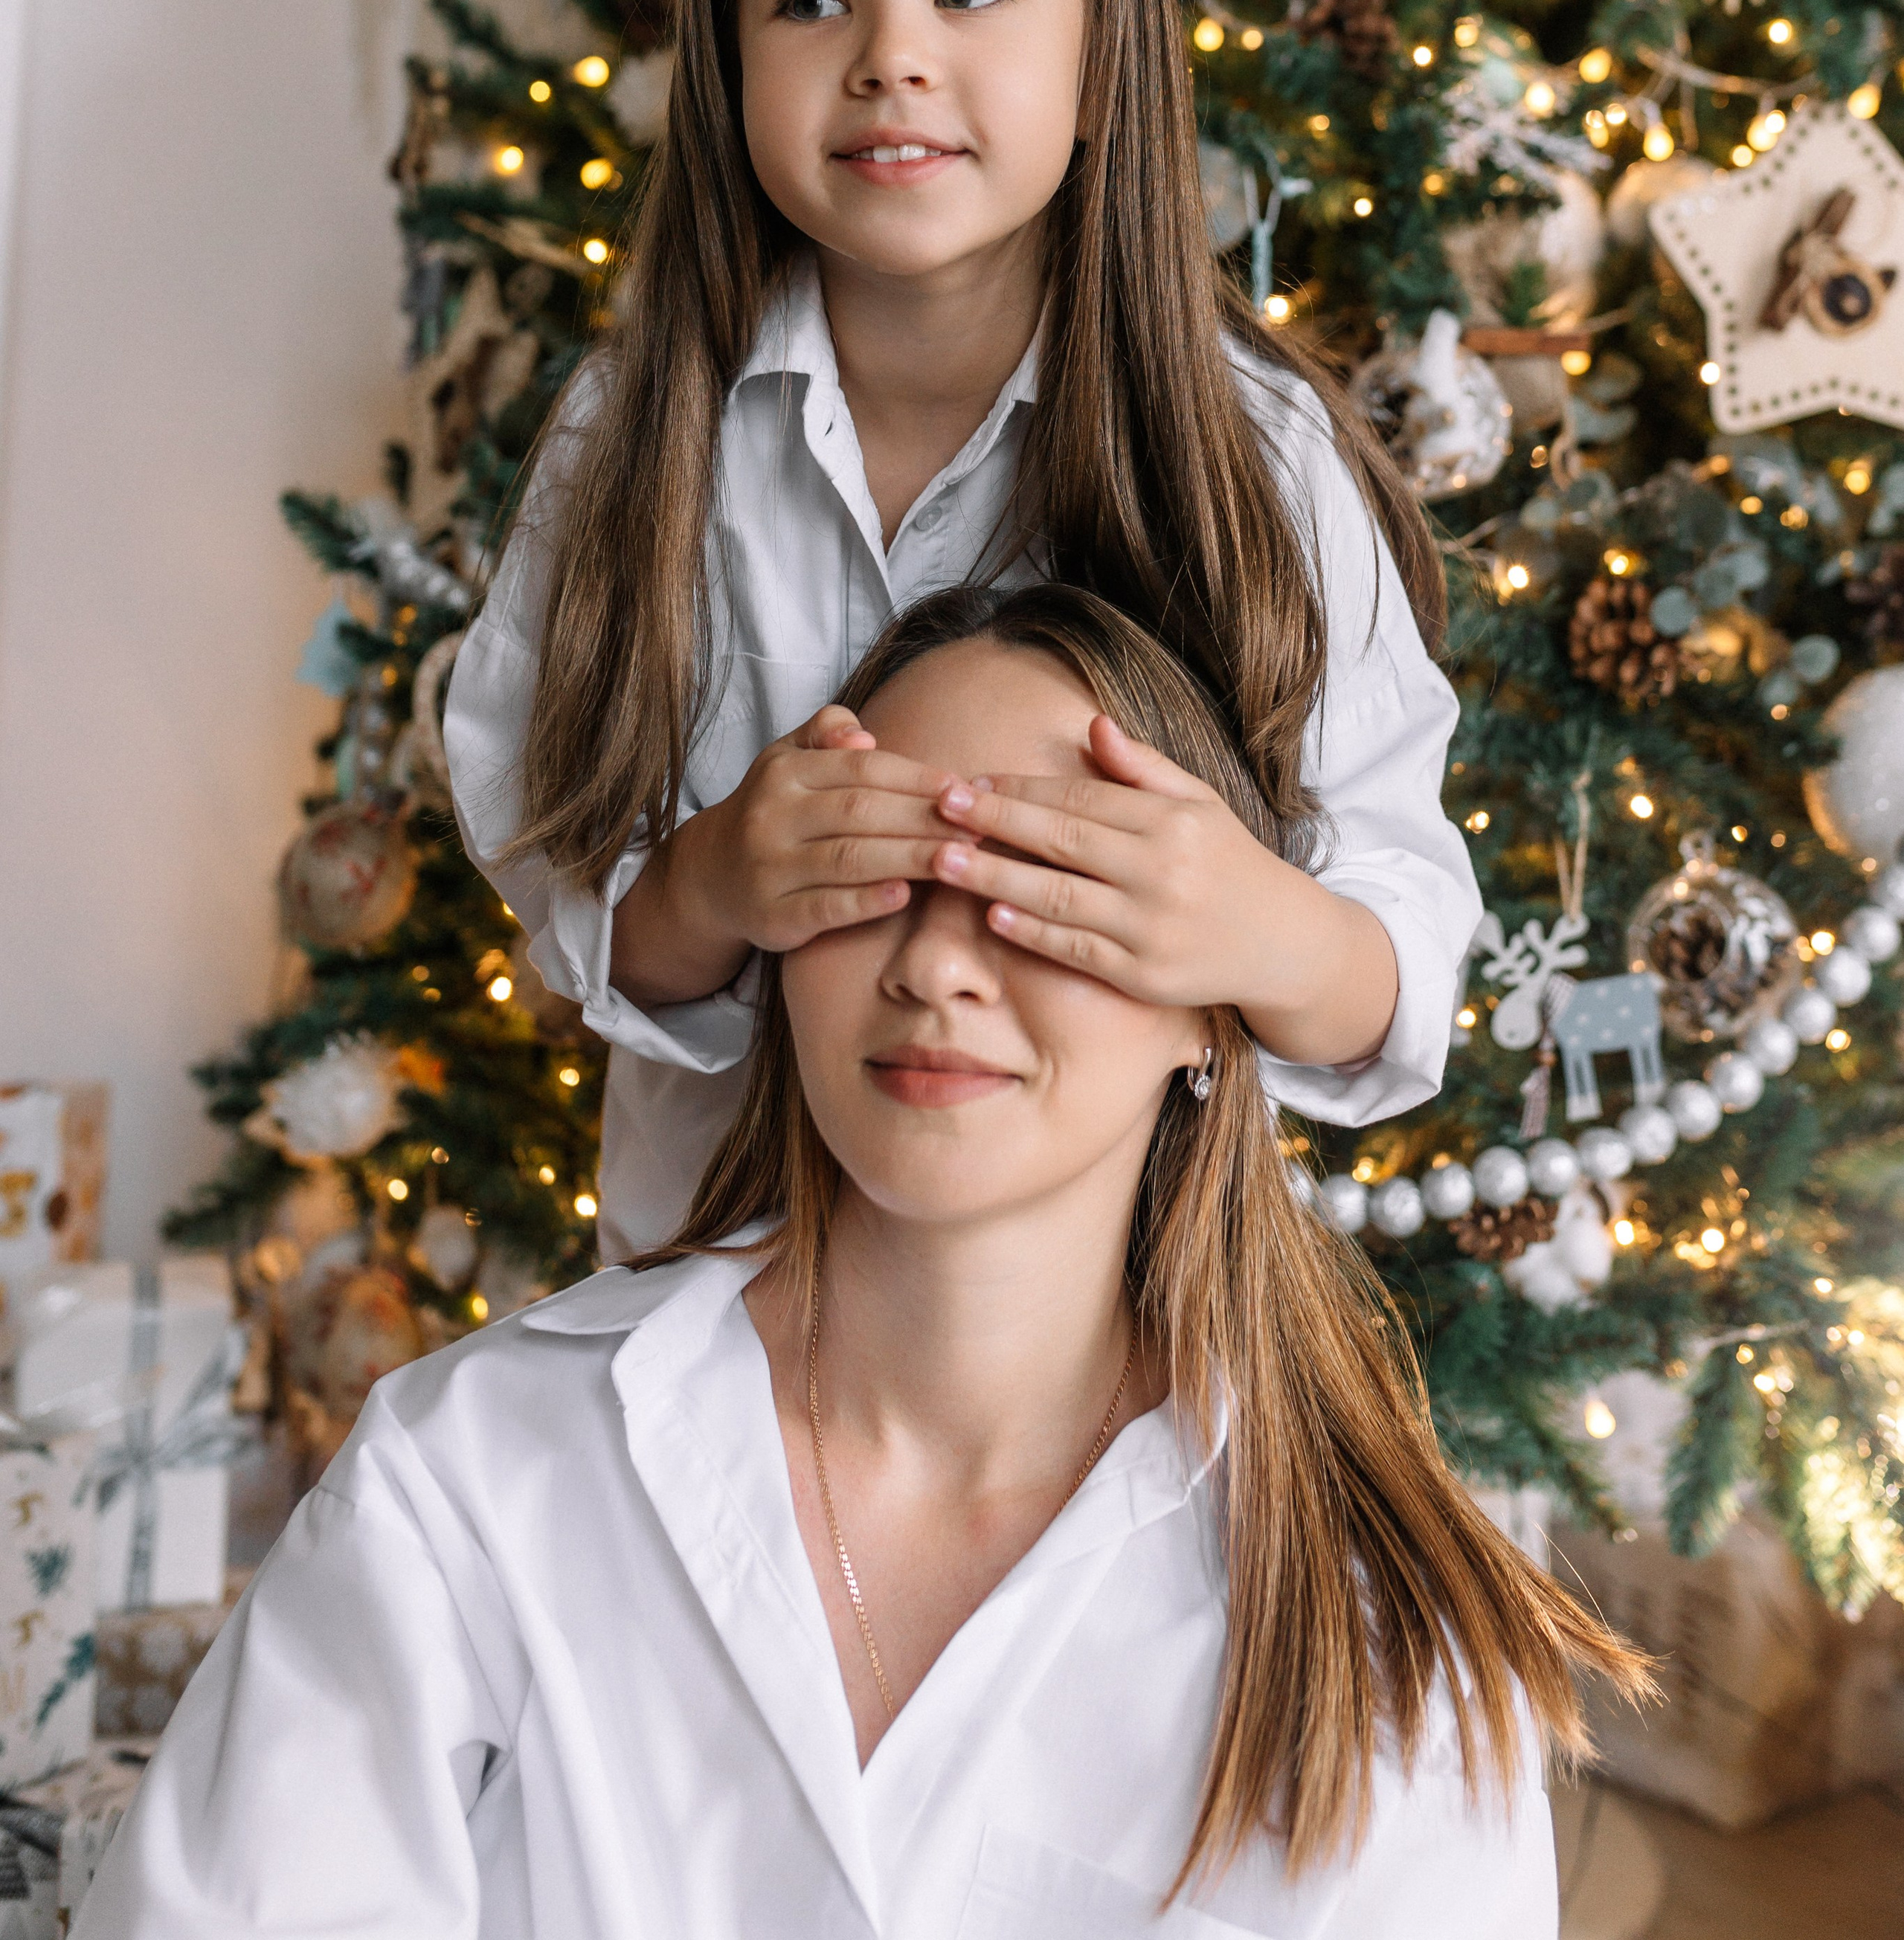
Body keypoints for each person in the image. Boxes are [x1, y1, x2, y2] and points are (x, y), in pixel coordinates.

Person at [81, 588, 1643, 1939]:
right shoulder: (472, 1479)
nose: (935, 961)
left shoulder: (1388, 1643)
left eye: (1052, 885)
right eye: (874, 868)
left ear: (1205, 1003)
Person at [445, 0, 1482, 1254]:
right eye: (808, 1)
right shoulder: (631, 438)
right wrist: (710, 886)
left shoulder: (1244, 452)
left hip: (1100, 1336)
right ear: (724, 54)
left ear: (1099, 45)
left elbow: (1396, 959)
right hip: (720, 1312)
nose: (891, 59)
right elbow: (562, 889)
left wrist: (1255, 924)